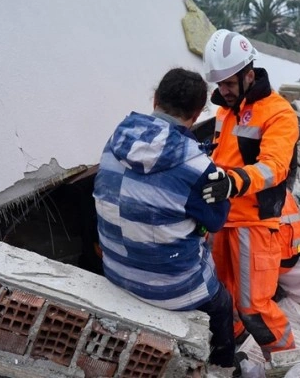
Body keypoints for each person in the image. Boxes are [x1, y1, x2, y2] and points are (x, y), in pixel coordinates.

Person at [92, 68, 235, 367]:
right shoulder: (199, 167)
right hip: (170, 290)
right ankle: (224, 368)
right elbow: (216, 221)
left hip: (115, 270)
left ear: (155, 98)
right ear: (197, 114)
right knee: (222, 306)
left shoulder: (115, 139)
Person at [201, 29, 298, 358]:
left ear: (249, 75)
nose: (223, 91)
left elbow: (274, 167)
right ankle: (232, 353)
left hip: (254, 224)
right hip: (222, 220)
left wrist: (231, 183)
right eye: (220, 84)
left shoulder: (279, 113)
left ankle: (290, 363)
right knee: (222, 299)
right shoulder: (224, 112)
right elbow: (218, 157)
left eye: (229, 83)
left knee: (253, 307)